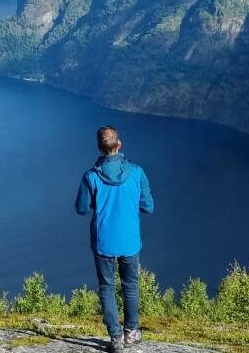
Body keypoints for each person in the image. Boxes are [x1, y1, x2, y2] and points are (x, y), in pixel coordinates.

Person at [75, 126, 154, 353]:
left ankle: (116, 338)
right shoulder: (137, 172)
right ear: (119, 144)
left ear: (100, 147)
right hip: (129, 242)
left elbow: (81, 209)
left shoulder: (91, 176)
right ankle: (132, 332)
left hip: (103, 243)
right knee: (130, 285)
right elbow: (148, 207)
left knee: (107, 288)